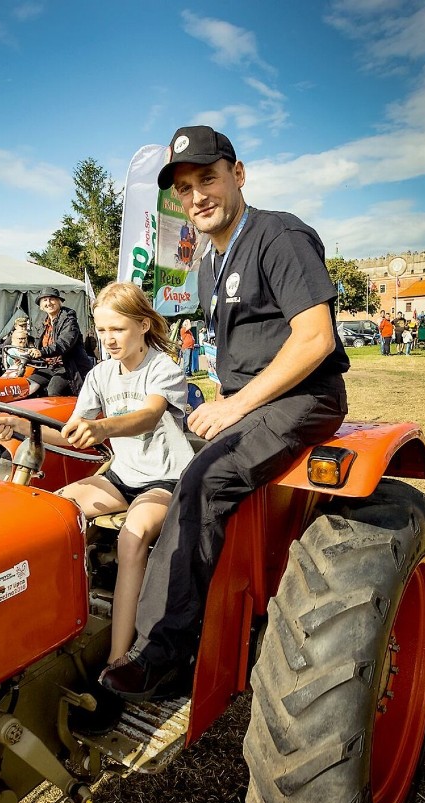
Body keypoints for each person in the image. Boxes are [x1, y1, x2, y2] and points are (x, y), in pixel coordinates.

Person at [99, 125, 350, 702]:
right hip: (256, 398)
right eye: (184, 189)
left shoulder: (278, 236)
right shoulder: (211, 262)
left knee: (203, 479)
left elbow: (314, 339)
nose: (196, 198)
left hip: (305, 397)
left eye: (206, 179)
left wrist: (235, 404)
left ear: (238, 175)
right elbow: (238, 352)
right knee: (179, 467)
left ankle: (163, 654)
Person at [0, 281, 195, 730]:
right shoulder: (101, 375)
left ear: (143, 325)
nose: (109, 339)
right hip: (122, 475)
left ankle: (119, 662)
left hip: (167, 478)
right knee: (58, 510)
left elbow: (148, 416)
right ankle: (54, 623)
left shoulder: (164, 369)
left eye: (118, 328)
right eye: (102, 331)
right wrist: (20, 426)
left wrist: (104, 430)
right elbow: (69, 432)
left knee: (134, 534)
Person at [28, 288, 94, 396]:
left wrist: (42, 352)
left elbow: (64, 343)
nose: (48, 303)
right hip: (49, 367)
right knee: (27, 387)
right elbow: (37, 345)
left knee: (53, 390)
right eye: (44, 300)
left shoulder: (69, 320)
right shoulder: (43, 324)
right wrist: (28, 352)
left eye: (52, 299)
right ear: (40, 306)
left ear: (59, 302)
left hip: (69, 367)